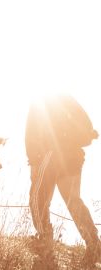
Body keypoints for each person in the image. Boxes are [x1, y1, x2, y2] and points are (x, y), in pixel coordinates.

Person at [25, 94, 101, 267]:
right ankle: (94, 246)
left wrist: (34, 161)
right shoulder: (69, 99)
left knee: (37, 199)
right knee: (73, 200)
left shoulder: (39, 100)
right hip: (74, 155)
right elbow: (89, 131)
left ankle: (45, 246)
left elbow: (31, 132)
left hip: (51, 153)